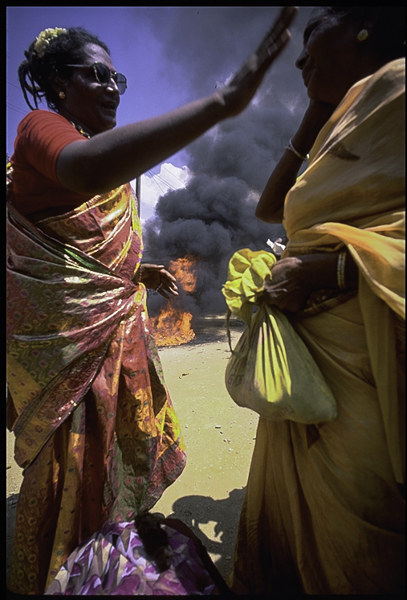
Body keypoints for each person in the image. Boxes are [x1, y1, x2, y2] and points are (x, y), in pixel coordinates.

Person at [6, 8, 297, 595]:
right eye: (96, 75)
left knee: (117, 443)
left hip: (114, 321)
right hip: (67, 344)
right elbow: (84, 172)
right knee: (75, 448)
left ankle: (107, 544)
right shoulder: (42, 128)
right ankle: (62, 566)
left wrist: (137, 269)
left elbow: (75, 246)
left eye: (118, 79)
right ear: (61, 84)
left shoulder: (95, 146)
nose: (112, 86)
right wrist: (222, 103)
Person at [230, 6, 405, 595]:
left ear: (365, 23)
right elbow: (270, 208)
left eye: (314, 39)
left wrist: (330, 269)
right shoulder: (351, 111)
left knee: (362, 528)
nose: (300, 59)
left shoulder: (400, 89)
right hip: (315, 363)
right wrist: (318, 109)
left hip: (374, 363)